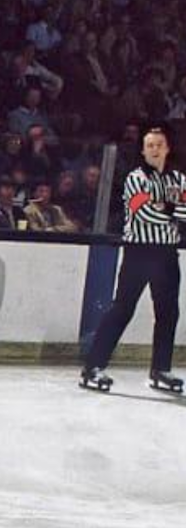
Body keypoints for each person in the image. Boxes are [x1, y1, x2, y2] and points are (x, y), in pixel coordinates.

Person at [82, 125, 185, 393]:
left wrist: (167, 208)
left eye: (158, 144)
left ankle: (160, 370)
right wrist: (171, 210)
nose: (154, 149)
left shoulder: (179, 180)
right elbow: (143, 215)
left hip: (167, 255)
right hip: (139, 252)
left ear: (167, 148)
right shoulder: (136, 179)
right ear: (143, 150)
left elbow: (185, 213)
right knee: (122, 309)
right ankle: (92, 368)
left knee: (168, 313)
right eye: (149, 145)